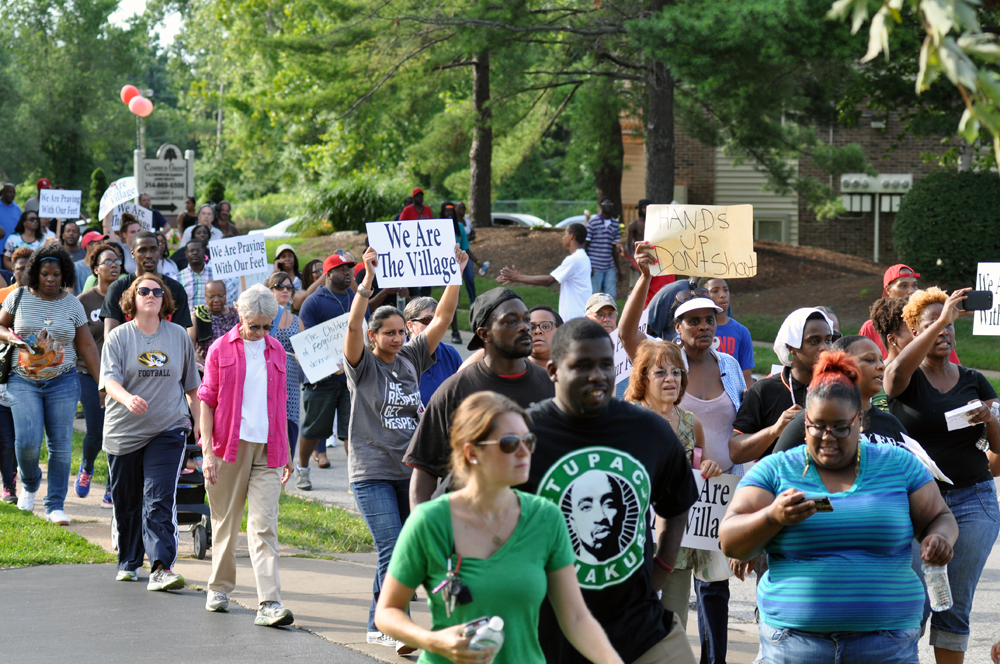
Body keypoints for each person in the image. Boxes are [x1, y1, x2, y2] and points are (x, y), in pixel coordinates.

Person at [720, 351, 959, 664]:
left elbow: (940, 517)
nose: (827, 438)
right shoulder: (776, 470)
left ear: (859, 421)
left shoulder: (897, 464)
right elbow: (729, 540)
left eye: (840, 427)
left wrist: (939, 538)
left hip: (885, 644)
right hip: (795, 645)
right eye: (816, 427)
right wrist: (771, 517)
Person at [376, 391, 625, 664]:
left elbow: (576, 617)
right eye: (509, 443)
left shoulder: (546, 518)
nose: (524, 452)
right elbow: (387, 611)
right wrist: (434, 641)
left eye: (528, 441)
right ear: (472, 452)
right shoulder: (430, 521)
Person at [522, 318, 699, 664]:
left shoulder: (649, 430)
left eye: (605, 364)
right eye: (583, 366)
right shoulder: (523, 432)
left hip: (641, 629)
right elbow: (460, 509)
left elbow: (676, 506)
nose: (598, 376)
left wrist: (659, 568)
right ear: (554, 371)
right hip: (547, 636)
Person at [619, 243, 745, 664]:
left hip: (714, 502)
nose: (705, 326)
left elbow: (705, 450)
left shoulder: (728, 365)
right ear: (677, 326)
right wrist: (643, 276)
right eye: (694, 320)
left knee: (715, 596)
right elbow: (627, 333)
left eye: (711, 319)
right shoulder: (643, 399)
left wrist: (709, 465)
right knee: (668, 605)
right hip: (664, 518)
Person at [344, 243, 467, 648]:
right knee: (392, 546)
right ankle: (387, 626)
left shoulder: (412, 356)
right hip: (371, 471)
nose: (397, 338)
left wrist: (456, 271)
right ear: (373, 336)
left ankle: (380, 623)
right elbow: (351, 327)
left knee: (405, 549)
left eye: (401, 331)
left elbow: (445, 317)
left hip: (409, 471)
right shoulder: (362, 365)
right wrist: (367, 281)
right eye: (389, 333)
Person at [885, 287, 1000, 663]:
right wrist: (940, 321)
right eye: (932, 323)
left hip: (973, 499)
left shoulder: (974, 380)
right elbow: (893, 377)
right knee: (912, 602)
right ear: (915, 332)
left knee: (954, 606)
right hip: (916, 503)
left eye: (949, 325)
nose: (944, 331)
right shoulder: (906, 379)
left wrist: (990, 418)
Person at [405, 288, 556, 507]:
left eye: (526, 320)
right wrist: (422, 532)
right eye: (511, 321)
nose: (525, 327)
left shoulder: (551, 386)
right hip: (469, 525)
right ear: (485, 334)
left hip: (534, 528)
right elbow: (424, 469)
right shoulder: (455, 390)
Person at [198, 283, 294, 626]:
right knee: (226, 522)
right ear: (240, 315)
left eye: (268, 326)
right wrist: (207, 452)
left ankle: (269, 602)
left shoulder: (277, 351)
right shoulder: (219, 350)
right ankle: (219, 587)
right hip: (228, 447)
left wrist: (288, 452)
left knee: (264, 525)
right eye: (255, 325)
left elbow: (280, 404)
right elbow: (206, 401)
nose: (262, 332)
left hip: (269, 449)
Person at [100, 273, 201, 589]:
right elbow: (110, 381)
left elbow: (193, 389)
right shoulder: (119, 338)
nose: (151, 295)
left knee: (157, 497)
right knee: (127, 501)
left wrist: (199, 429)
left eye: (158, 291)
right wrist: (128, 398)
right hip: (124, 432)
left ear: (165, 301)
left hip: (168, 428)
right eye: (144, 290)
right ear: (133, 298)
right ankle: (129, 561)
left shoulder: (178, 336)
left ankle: (161, 567)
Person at [0, 244, 101, 523]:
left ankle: (55, 504)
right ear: (36, 273)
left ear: (64, 274)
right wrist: (12, 338)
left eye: (56, 274)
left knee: (61, 444)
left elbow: (87, 345)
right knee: (28, 443)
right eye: (45, 273)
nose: (50, 279)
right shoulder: (18, 297)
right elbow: (0, 326)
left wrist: (102, 383)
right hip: (23, 381)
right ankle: (30, 483)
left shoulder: (72, 304)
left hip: (63, 381)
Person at [623, 340, 721, 630]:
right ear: (642, 378)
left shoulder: (692, 423)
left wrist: (709, 467)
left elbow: (699, 469)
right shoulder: (627, 419)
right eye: (661, 372)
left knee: (672, 628)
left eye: (677, 372)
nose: (671, 379)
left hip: (678, 548)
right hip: (633, 544)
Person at [729, 307, 835, 465]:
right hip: (778, 486)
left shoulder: (839, 389)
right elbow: (735, 452)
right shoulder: (764, 390)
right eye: (814, 341)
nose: (824, 348)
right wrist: (774, 430)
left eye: (828, 340)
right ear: (791, 346)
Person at [774, 335, 908, 452]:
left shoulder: (891, 424)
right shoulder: (810, 420)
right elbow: (775, 471)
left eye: (881, 360)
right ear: (841, 364)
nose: (881, 366)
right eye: (870, 360)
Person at [295, 253, 360, 489]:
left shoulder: (356, 299)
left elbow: (367, 332)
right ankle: (302, 469)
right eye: (342, 269)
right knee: (313, 429)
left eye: (350, 268)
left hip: (350, 378)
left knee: (352, 431)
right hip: (321, 380)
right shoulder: (314, 301)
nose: (348, 273)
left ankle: (356, 479)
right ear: (328, 273)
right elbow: (307, 342)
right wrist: (330, 367)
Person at [76, 243, 122, 509]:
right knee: (95, 432)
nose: (114, 265)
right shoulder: (83, 301)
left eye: (117, 261)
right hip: (88, 375)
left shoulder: (126, 297)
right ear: (96, 269)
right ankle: (87, 466)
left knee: (115, 434)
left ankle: (111, 489)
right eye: (108, 262)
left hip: (118, 377)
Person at [859, 264, 962, 364]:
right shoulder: (869, 327)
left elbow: (951, 368)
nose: (911, 291)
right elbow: (858, 367)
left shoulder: (926, 324)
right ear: (888, 290)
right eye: (904, 285)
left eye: (914, 285)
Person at [101, 230, 193, 337]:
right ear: (132, 253)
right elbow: (110, 337)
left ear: (159, 251)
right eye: (142, 250)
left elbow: (180, 337)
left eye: (153, 250)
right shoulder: (117, 288)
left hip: (166, 352)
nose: (149, 255)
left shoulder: (176, 289)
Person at [497, 223, 592, 321]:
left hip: (574, 318)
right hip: (580, 314)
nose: (563, 238)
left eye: (565, 234)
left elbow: (548, 281)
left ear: (571, 236)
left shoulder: (574, 260)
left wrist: (517, 277)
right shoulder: (584, 258)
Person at [0, 247, 32, 505]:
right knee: (5, 438)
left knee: (25, 438)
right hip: (4, 373)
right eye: (19, 267)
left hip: (32, 376)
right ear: (12, 269)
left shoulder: (46, 297)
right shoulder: (3, 296)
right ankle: (8, 486)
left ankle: (25, 472)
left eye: (28, 266)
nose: (23, 271)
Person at [266, 272, 302, 460]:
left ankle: (284, 477)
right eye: (280, 287)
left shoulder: (297, 321)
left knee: (290, 428)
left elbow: (305, 355)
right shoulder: (263, 317)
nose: (285, 290)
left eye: (289, 287)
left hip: (291, 385)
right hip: (267, 379)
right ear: (270, 290)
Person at [403, 296, 463, 407]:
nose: (435, 326)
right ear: (410, 325)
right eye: (427, 320)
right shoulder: (397, 356)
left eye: (437, 320)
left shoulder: (451, 354)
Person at [697, 277, 754, 386]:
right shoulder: (694, 331)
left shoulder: (742, 332)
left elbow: (746, 376)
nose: (723, 295)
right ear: (703, 295)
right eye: (715, 291)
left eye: (726, 290)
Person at [869, 297, 912, 411]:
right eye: (913, 331)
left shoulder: (929, 371)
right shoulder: (876, 378)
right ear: (892, 339)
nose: (921, 335)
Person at [190, 280, 240, 367]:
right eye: (211, 297)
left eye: (220, 296)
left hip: (234, 365)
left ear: (226, 295)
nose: (216, 300)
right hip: (208, 367)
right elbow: (189, 344)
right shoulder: (198, 316)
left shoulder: (236, 315)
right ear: (205, 297)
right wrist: (195, 355)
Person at [585, 198, 622, 298]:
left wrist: (618, 269)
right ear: (601, 205)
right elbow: (585, 245)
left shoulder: (615, 224)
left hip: (609, 267)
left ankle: (609, 314)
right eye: (605, 203)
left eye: (610, 203)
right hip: (595, 266)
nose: (608, 205)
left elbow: (615, 248)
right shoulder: (593, 223)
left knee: (610, 296)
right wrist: (589, 266)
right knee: (593, 296)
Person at [177, 239, 214, 313]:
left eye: (198, 250)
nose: (195, 253)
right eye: (191, 250)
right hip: (187, 323)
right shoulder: (177, 278)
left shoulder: (215, 274)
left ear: (204, 252)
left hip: (212, 321)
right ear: (186, 254)